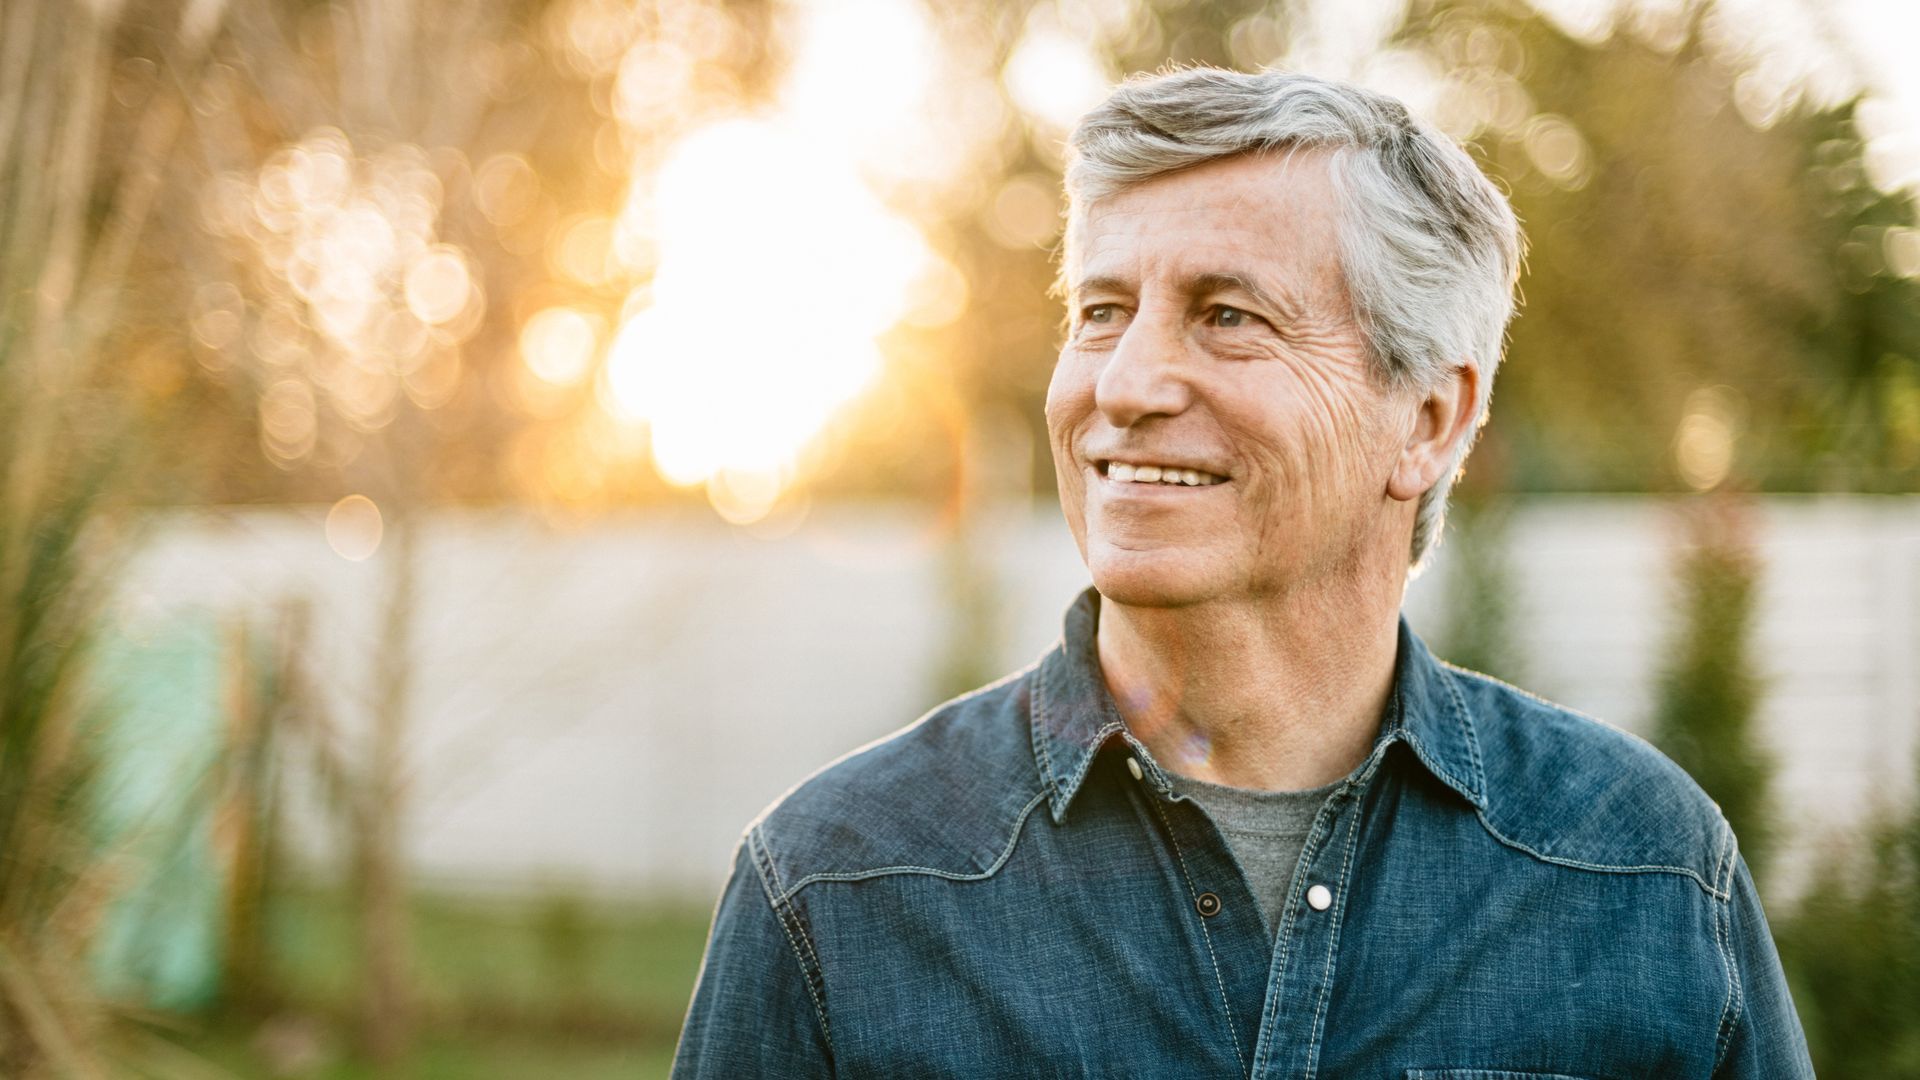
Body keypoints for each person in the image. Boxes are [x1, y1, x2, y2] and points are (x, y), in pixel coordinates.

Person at [671, 67, 1813, 1078]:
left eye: (1225, 316)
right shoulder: (836, 887)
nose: (1124, 385)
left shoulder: (1643, 871)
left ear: (1426, 418)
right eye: (1101, 312)